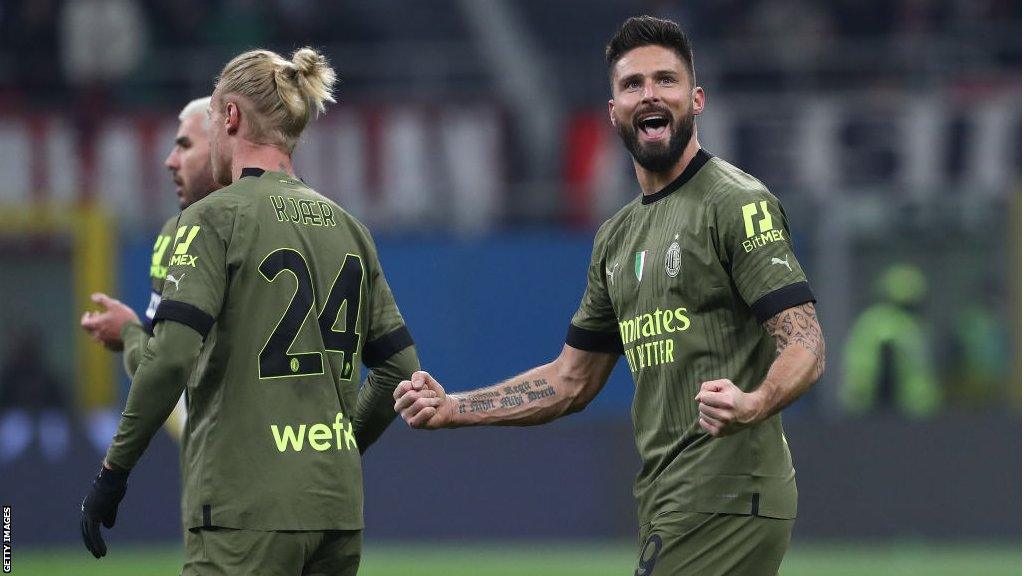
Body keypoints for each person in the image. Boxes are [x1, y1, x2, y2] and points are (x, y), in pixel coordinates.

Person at [394, 16, 825, 576]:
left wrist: (755, 402)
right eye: (633, 84)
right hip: (671, 501)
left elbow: (807, 341)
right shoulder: (616, 238)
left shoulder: (735, 202)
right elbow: (570, 380)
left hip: (728, 493)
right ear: (614, 110)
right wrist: (455, 408)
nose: (650, 94)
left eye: (666, 81)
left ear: (696, 100)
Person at [79, 47, 418, 576]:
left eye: (211, 122)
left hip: (244, 514)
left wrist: (112, 473)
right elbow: (401, 370)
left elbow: (170, 360)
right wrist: (336, 447)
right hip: (336, 510)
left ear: (231, 116)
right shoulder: (351, 229)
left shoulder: (212, 219)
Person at [80, 95, 221, 441]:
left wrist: (127, 333)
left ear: (223, 148)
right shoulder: (174, 235)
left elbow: (166, 368)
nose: (170, 161)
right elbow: (161, 348)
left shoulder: (185, 235)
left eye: (184, 146)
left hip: (232, 458)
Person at [842, 264, 939, 417]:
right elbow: (886, 364)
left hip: (904, 408)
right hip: (891, 409)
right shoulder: (890, 323)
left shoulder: (878, 319)